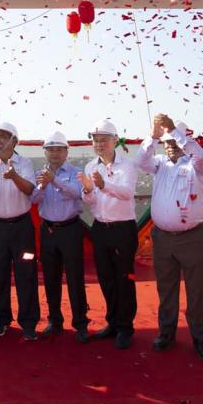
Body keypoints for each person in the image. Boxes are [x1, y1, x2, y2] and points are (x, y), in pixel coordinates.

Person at [136, 114, 203, 363]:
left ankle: (201, 340)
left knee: (197, 291)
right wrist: (153, 135)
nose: (170, 147)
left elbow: (200, 156)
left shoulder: (197, 166)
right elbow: (141, 160)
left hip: (191, 238)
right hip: (162, 238)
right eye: (167, 143)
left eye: (175, 142)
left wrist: (176, 133)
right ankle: (167, 333)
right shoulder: (159, 163)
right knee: (166, 289)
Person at [79, 119, 140, 349]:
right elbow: (90, 201)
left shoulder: (128, 166)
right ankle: (113, 323)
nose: (99, 143)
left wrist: (104, 185)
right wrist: (87, 190)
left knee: (124, 279)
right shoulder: (90, 167)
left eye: (104, 139)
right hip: (100, 229)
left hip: (123, 228)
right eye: (95, 140)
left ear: (115, 140)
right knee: (106, 279)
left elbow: (127, 193)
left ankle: (126, 327)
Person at [0, 121, 40, 340]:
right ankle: (2, 320)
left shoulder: (24, 163)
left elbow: (30, 190)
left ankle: (29, 322)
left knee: (26, 273)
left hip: (22, 228)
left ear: (15, 141)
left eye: (3, 136)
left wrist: (14, 176)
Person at [30, 131, 89, 343]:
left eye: (59, 149)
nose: (55, 154)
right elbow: (33, 200)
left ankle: (81, 323)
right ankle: (55, 321)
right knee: (50, 278)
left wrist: (54, 180)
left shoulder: (76, 172)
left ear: (66, 152)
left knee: (75, 278)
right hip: (48, 231)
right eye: (50, 149)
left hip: (71, 229)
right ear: (45, 152)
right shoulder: (39, 173)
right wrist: (43, 185)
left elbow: (77, 193)